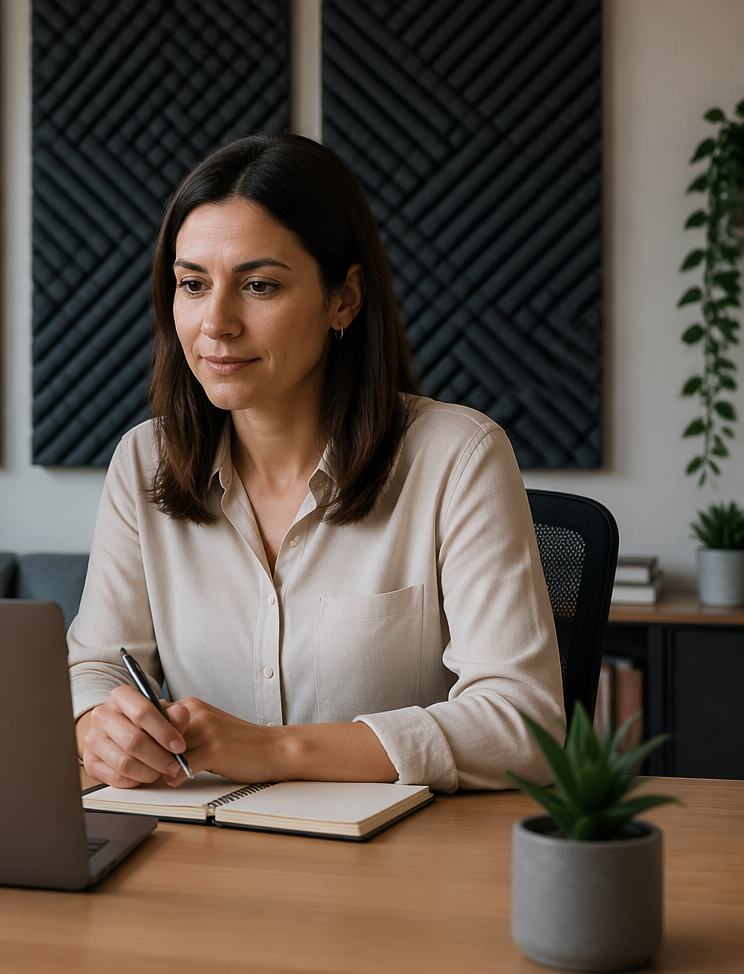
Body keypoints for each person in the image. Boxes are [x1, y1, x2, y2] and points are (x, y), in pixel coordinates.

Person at [70, 132, 563, 794]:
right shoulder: (143, 461)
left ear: (344, 300)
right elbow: (96, 667)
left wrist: (278, 750)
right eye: (192, 284)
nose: (216, 322)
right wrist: (99, 726)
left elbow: (523, 726)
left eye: (260, 285)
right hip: (203, 857)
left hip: (402, 865)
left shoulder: (457, 457)